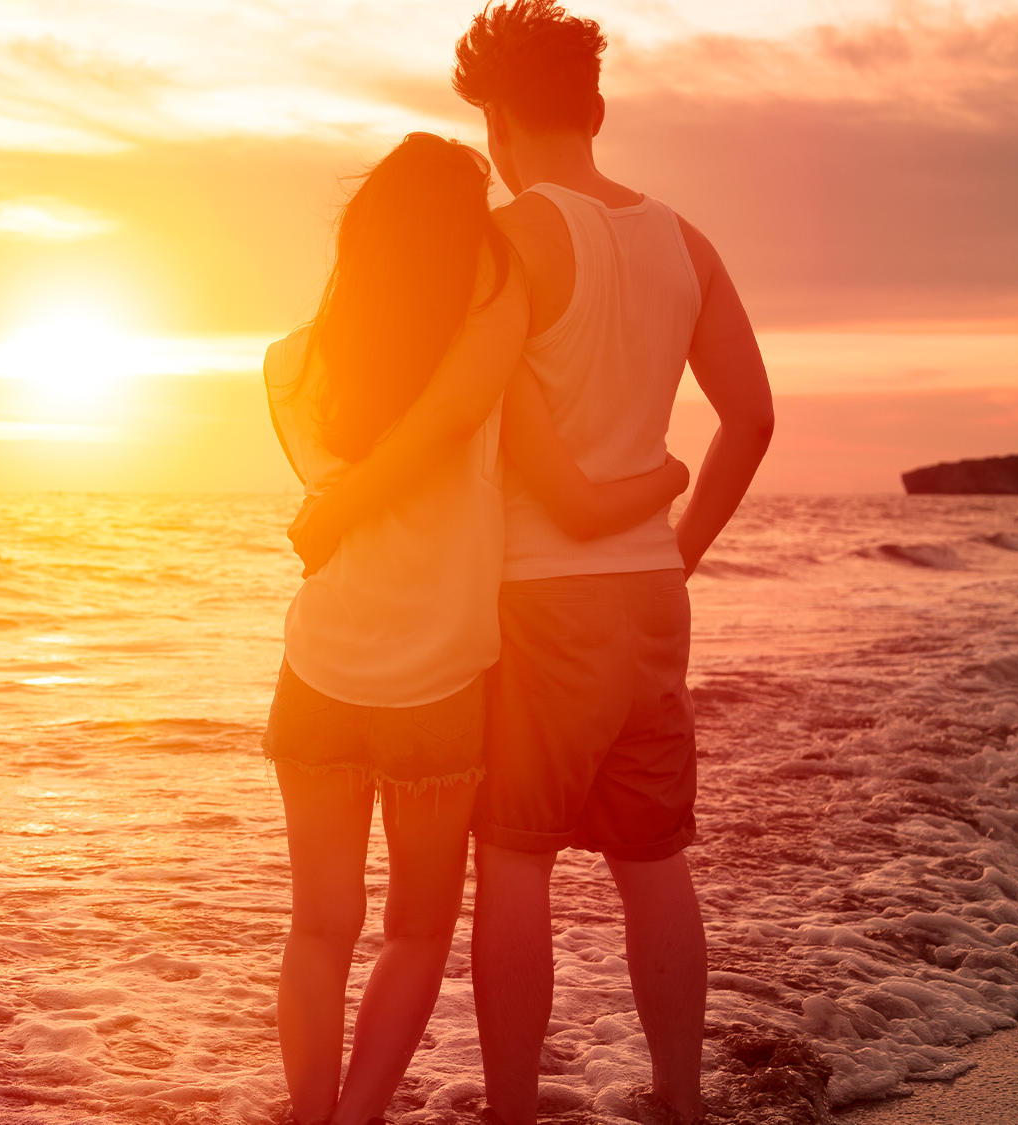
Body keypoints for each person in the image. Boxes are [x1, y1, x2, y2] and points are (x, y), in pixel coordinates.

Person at [288, 4, 775, 1123]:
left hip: (534, 598)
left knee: (514, 864)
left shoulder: (503, 243)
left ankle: (512, 1109)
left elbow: (452, 410)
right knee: (653, 864)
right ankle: (677, 1104)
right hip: (650, 597)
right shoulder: (684, 240)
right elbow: (747, 420)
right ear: (593, 107)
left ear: (495, 119)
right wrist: (680, 551)